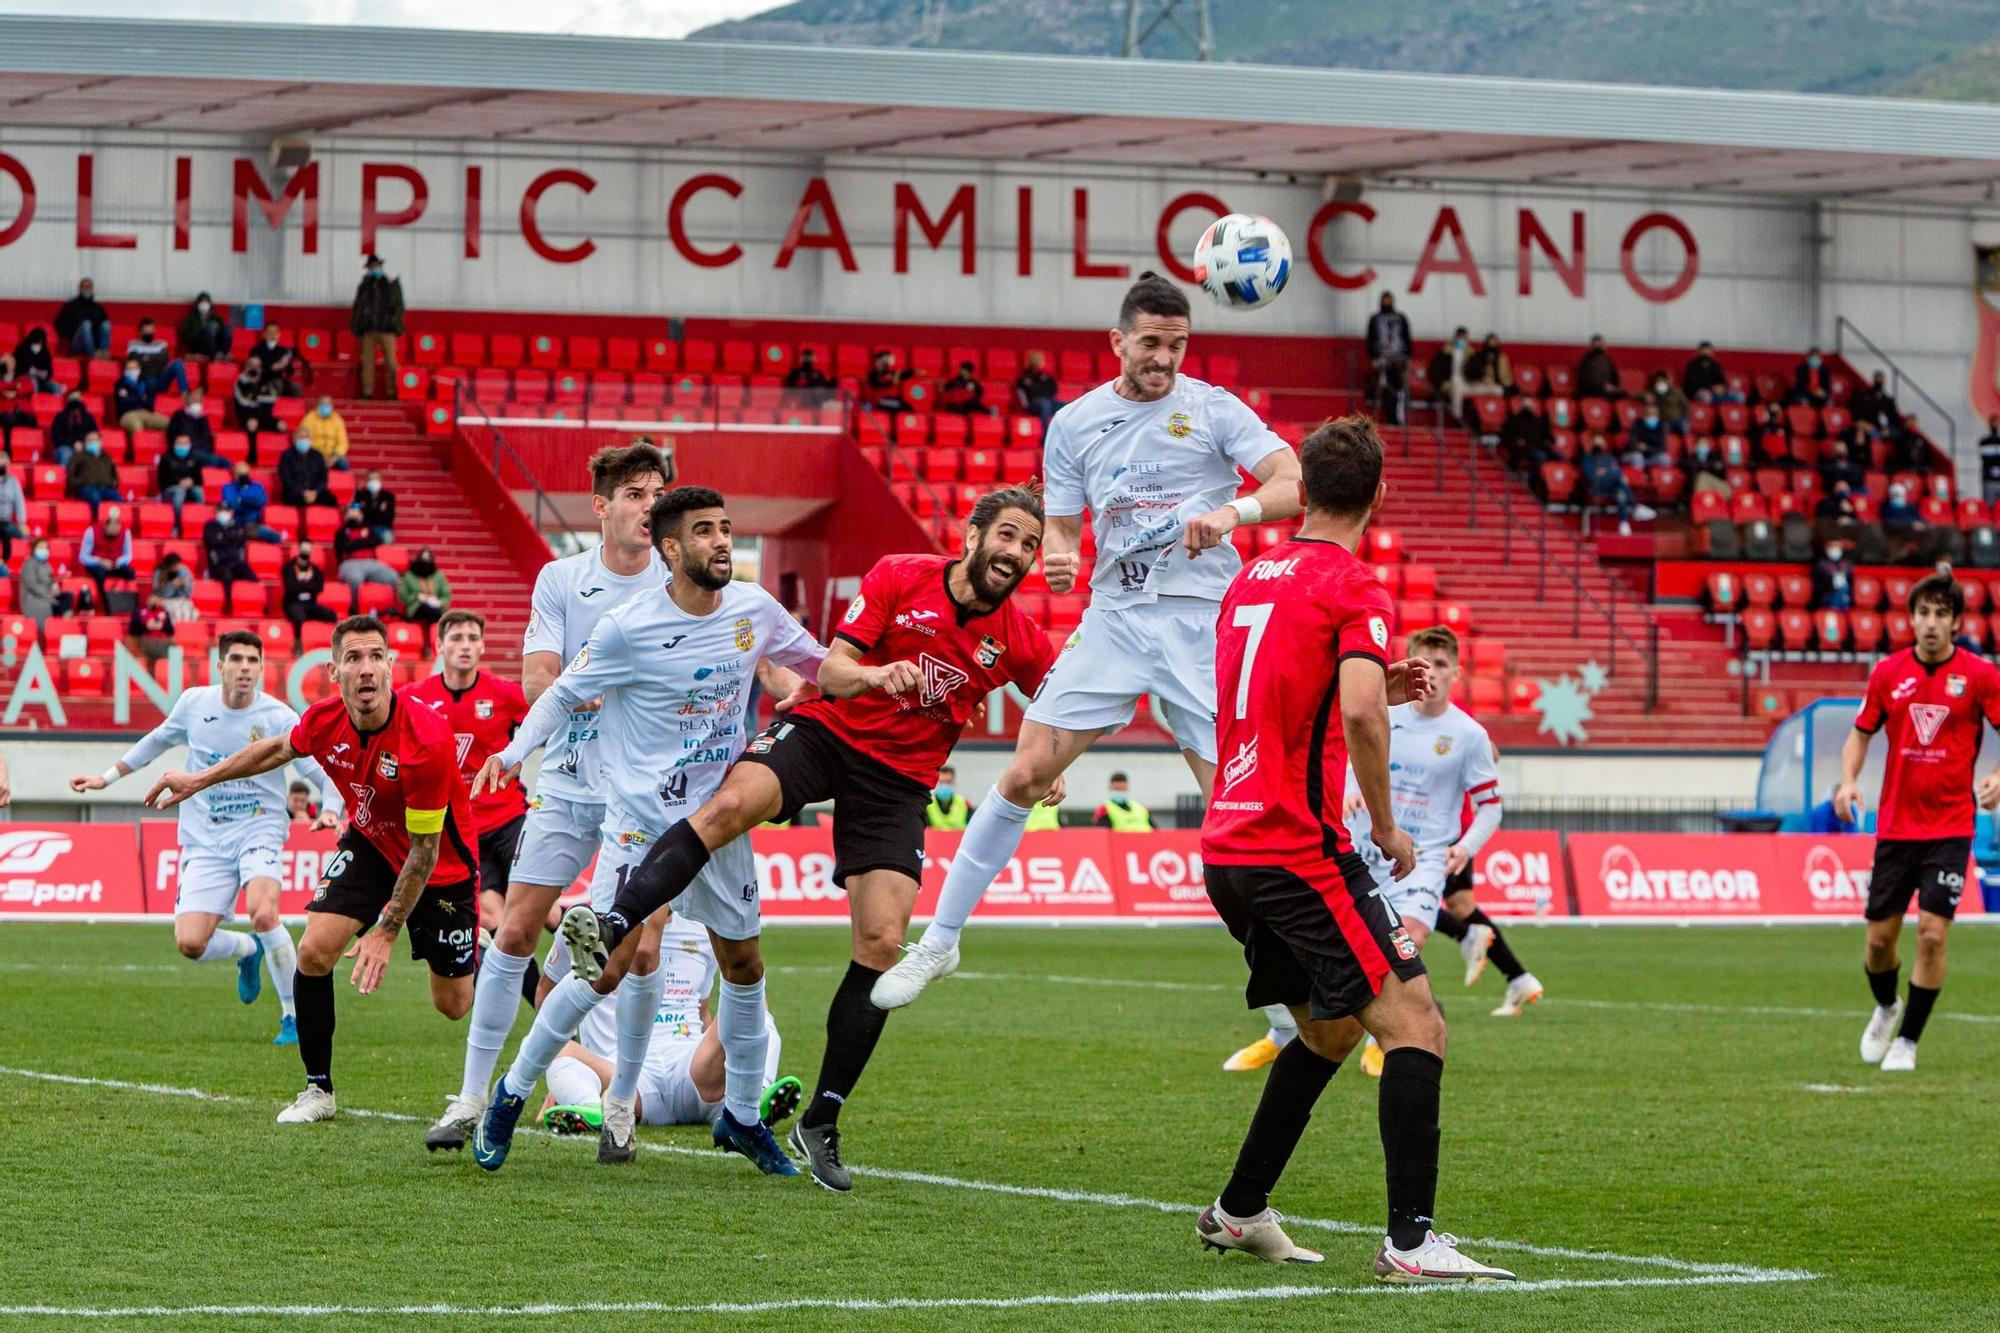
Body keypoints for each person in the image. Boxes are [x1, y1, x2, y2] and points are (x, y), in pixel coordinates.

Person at [548, 487, 1057, 1191]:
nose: (1015, 553)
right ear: (970, 534)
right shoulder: (900, 575)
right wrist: (877, 675)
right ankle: (613, 922)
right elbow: (835, 666)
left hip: (900, 781)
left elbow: (1061, 709)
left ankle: (822, 1117)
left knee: (882, 944)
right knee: (728, 803)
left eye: (1029, 545)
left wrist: (1048, 763)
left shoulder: (1023, 637)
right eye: (1006, 535)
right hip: (829, 730)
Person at [873, 273, 1303, 1016]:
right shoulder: (1074, 423)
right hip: (1118, 615)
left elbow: (1292, 482)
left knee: (1234, 809)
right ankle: (940, 941)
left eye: (1177, 344)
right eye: (1150, 344)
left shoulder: (1212, 408)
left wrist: (1234, 510)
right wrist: (1063, 555)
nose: (1164, 358)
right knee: (1025, 771)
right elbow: (1065, 525)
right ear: (1119, 342)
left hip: (1203, 620)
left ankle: (1285, 986)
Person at [1192, 415, 1509, 1281]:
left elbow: (1285, 691)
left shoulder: (1250, 578)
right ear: (1377, 494)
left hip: (1229, 842)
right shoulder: (1354, 583)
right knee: (1419, 1024)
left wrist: (1357, 682)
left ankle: (1239, 1208)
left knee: (1330, 1032)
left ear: (1301, 494)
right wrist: (1387, 823)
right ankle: (1411, 1242)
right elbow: (1367, 711)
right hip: (1296, 847)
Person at [469, 485, 828, 1175]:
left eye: (726, 528)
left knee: (745, 965)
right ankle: (509, 1096)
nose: (722, 541)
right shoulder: (629, 626)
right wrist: (513, 753)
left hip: (717, 821)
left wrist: (863, 678)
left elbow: (814, 662)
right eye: (704, 531)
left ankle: (744, 1118)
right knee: (605, 970)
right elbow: (566, 694)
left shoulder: (753, 608)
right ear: (671, 548)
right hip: (638, 826)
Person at [423, 443, 672, 1153]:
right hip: (566, 782)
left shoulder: (676, 581)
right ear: (601, 506)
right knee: (514, 932)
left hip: (647, 794)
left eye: (657, 492)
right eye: (633, 494)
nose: (648, 505)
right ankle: (472, 1094)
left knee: (644, 950)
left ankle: (621, 1100)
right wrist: (589, 689)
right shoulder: (562, 580)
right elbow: (539, 679)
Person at [145, 615, 482, 1124]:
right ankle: (317, 1090)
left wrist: (386, 931)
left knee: (453, 1004)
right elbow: (277, 749)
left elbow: (425, 851)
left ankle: (494, 952)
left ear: (390, 667)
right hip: (371, 845)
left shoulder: (425, 739)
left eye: (375, 657)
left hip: (439, 867)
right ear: (334, 671)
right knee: (314, 950)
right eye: (353, 659)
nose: (365, 670)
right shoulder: (325, 720)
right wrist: (200, 779)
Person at [72, 631, 336, 1045]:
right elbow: (157, 740)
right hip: (205, 836)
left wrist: (334, 808)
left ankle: (293, 1017)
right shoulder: (195, 704)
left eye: (253, 660)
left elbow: (318, 769)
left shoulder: (279, 716)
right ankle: (248, 952)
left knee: (265, 913)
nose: (245, 667)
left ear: (262, 667)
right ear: (220, 666)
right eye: (237, 659)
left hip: (259, 826)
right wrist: (105, 778)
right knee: (191, 943)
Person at [1340, 627, 1539, 1076]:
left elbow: (1490, 807)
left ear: (1457, 673)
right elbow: (1349, 756)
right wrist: (1349, 791)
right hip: (1366, 845)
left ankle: (1382, 1036)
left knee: (1407, 938)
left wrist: (1465, 848)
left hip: (1425, 857)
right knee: (1355, 943)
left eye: (1442, 664)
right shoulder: (1384, 715)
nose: (1432, 673)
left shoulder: (1468, 735)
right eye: (1423, 663)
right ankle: (1354, 1022)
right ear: (1408, 667)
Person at [1834, 574, 2000, 1073]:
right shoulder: (1887, 674)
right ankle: (1887, 1007)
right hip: (1896, 828)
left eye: (1940, 614)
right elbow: (1860, 735)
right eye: (1922, 613)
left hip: (1950, 827)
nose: (1930, 623)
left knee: (1931, 934)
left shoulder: (1980, 676)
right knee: (1879, 941)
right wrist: (1847, 781)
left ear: (1955, 622)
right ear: (1911, 619)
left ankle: (1908, 1040)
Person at [538, 912, 799, 1139]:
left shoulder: (700, 927)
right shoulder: (586, 922)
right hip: (623, 1077)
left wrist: (722, 1061)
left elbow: (702, 1012)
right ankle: (589, 1106)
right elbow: (547, 999)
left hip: (691, 1072)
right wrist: (567, 1077)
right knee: (553, 1047)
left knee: (757, 1014)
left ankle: (752, 1100)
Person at [407, 610, 533, 947]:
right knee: (493, 919)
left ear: (482, 647)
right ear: (439, 646)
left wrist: (519, 758)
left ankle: (594, 974)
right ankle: (541, 999)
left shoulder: (505, 694)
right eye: (457, 638)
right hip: (463, 832)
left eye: (473, 638)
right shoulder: (414, 699)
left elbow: (546, 726)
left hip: (509, 820)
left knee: (543, 913)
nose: (465, 646)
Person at [351, 254, 404, 400]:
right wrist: (357, 327)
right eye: (371, 267)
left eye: (375, 266)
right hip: (369, 330)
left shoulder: (391, 284)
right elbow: (358, 306)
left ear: (381, 266)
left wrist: (394, 323)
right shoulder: (365, 285)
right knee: (367, 364)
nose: (374, 269)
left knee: (392, 363)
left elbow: (399, 306)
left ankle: (392, 393)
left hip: (387, 330)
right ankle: (367, 393)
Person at [1579, 435, 1652, 536]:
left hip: (1611, 487)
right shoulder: (1587, 458)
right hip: (1596, 486)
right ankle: (1635, 507)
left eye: (1601, 442)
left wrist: (1604, 473)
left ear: (1604, 445)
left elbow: (1615, 470)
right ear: (1592, 444)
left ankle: (1624, 524)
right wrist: (1608, 474)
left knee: (1621, 493)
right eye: (1596, 442)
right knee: (1619, 478)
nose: (1598, 445)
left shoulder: (1609, 458)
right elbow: (1590, 475)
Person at [335, 504, 397, 610]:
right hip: (350, 562)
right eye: (351, 513)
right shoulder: (342, 532)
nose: (354, 515)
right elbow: (346, 546)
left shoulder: (368, 530)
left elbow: (377, 541)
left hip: (371, 562)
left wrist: (356, 543)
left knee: (392, 577)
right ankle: (355, 609)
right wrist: (364, 542)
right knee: (355, 580)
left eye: (357, 513)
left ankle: (387, 608)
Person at [1365, 292, 1411, 425]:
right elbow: (1370, 339)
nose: (1386, 302)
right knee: (1386, 387)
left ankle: (1400, 419)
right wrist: (1373, 358)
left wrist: (1407, 357)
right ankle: (1391, 418)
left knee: (1400, 389)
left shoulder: (1401, 318)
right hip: (1382, 359)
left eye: (1388, 299)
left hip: (1399, 359)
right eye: (1384, 300)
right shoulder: (1375, 318)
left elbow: (1407, 338)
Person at [203, 505, 257, 612]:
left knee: (252, 576)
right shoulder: (210, 526)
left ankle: (251, 605)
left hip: (235, 561)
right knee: (227, 576)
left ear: (231, 512)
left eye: (226, 510)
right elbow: (214, 541)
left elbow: (241, 538)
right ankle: (228, 604)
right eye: (221, 510)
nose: (223, 513)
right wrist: (231, 537)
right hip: (219, 563)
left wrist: (223, 536)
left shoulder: (237, 525)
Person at [281, 542, 339, 641]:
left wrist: (301, 583)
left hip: (310, 604)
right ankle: (298, 642)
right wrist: (308, 584)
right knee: (299, 617)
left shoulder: (315, 570)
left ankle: (332, 642)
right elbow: (291, 588)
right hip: (293, 603)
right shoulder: (289, 567)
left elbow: (319, 588)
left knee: (331, 616)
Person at [79, 506, 135, 608]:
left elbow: (128, 555)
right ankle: (106, 603)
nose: (115, 529)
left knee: (129, 572)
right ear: (105, 525)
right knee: (100, 573)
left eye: (117, 526)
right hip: (97, 564)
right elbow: (83, 557)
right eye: (112, 527)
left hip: (115, 564)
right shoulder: (92, 532)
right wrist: (100, 561)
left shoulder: (125, 533)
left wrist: (118, 562)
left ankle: (125, 603)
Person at [125, 317, 191, 397]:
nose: (149, 332)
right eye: (146, 330)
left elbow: (164, 359)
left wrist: (146, 358)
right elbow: (134, 361)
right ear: (141, 331)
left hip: (161, 379)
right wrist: (155, 358)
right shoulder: (133, 344)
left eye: (151, 329)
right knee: (148, 379)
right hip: (144, 379)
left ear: (154, 330)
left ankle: (185, 394)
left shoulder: (161, 343)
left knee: (178, 364)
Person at [157, 435, 206, 532]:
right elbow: (162, 480)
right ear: (174, 444)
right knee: (180, 492)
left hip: (190, 488)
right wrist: (178, 482)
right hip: (170, 490)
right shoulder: (166, 458)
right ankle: (177, 525)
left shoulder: (195, 459)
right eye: (179, 443)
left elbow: (200, 480)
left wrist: (192, 481)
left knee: (198, 491)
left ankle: (200, 522)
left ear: (189, 445)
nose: (182, 446)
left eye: (185, 443)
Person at [165, 388, 223, 468]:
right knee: (215, 461)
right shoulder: (179, 415)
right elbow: (172, 435)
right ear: (188, 399)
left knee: (225, 462)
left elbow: (207, 438)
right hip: (187, 451)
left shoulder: (203, 418)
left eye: (199, 398)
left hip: (203, 452)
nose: (196, 400)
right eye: (194, 397)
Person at [66, 431, 121, 516]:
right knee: (95, 498)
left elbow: (114, 473)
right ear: (85, 443)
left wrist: (113, 483)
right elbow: (70, 472)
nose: (92, 442)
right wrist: (80, 483)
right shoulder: (79, 456)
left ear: (100, 441)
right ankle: (99, 521)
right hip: (87, 487)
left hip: (106, 487)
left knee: (119, 501)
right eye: (90, 440)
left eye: (95, 440)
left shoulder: (107, 457)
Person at [113, 356, 171, 436]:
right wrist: (140, 398)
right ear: (125, 370)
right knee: (137, 426)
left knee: (170, 423)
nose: (132, 371)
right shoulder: (120, 384)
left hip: (146, 413)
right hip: (127, 414)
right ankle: (138, 448)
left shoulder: (145, 383)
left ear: (139, 369)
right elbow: (123, 402)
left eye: (134, 368)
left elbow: (150, 402)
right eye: (129, 369)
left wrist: (132, 398)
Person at [398, 548, 450, 636]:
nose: (425, 562)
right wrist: (417, 596)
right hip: (415, 607)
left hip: (436, 606)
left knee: (438, 613)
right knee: (430, 611)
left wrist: (439, 602)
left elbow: (446, 595)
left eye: (428, 560)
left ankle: (434, 640)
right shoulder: (409, 575)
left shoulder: (438, 576)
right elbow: (403, 596)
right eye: (423, 559)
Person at [55, 278, 111, 358]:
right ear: (80, 289)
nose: (87, 289)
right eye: (85, 287)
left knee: (106, 324)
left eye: (89, 287)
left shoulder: (98, 307)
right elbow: (59, 324)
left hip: (95, 342)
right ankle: (93, 355)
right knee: (86, 324)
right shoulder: (70, 306)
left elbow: (103, 327)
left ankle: (104, 354)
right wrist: (72, 333)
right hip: (77, 343)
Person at [278, 431, 332, 509]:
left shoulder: (317, 455)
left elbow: (324, 478)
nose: (303, 440)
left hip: (315, 492)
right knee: (298, 500)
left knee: (331, 500)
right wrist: (303, 492)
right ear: (294, 439)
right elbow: (286, 479)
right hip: (295, 492)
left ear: (310, 440)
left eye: (305, 437)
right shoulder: (286, 456)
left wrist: (315, 492)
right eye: (300, 437)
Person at [1426, 328, 1470, 421]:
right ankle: (1457, 419)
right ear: (1454, 338)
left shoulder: (1472, 354)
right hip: (1449, 383)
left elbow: (1476, 373)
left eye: (1463, 338)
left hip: (1468, 384)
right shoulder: (1444, 353)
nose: (1461, 340)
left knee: (1495, 389)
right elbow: (1435, 371)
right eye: (1459, 337)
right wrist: (1441, 383)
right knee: (1458, 390)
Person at [19, 540, 67, 626]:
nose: (44, 550)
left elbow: (50, 581)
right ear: (34, 549)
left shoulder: (47, 565)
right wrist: (49, 595)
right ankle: (55, 627)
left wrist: (54, 586)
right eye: (41, 547)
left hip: (48, 596)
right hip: (34, 598)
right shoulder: (29, 564)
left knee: (67, 596)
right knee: (53, 605)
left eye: (46, 548)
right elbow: (32, 585)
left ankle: (61, 626)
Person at [1012, 352, 1060, 433]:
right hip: (1032, 404)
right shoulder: (1024, 377)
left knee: (1069, 406)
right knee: (1045, 405)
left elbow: (1053, 389)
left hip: (1048, 400)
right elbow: (1033, 392)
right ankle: (1045, 436)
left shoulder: (1045, 376)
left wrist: (1040, 389)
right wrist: (1043, 389)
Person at [177, 292, 231, 362]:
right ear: (197, 304)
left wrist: (216, 329)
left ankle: (222, 354)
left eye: (206, 303)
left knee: (227, 329)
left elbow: (223, 334)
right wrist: (201, 331)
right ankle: (214, 356)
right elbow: (184, 337)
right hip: (199, 345)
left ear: (209, 304)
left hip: (216, 345)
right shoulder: (190, 319)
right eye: (202, 303)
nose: (204, 305)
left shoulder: (216, 318)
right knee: (209, 329)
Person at [248, 325, 299, 397]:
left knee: (296, 388)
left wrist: (285, 365)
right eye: (270, 333)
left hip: (278, 380)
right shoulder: (256, 350)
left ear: (279, 335)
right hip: (261, 381)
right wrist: (272, 367)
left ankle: (290, 407)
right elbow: (253, 372)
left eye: (275, 333)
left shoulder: (283, 351)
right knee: (278, 384)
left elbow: (290, 372)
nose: (272, 335)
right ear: (264, 334)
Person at [49, 390, 97, 465]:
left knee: (94, 451)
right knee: (65, 453)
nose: (76, 401)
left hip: (84, 446)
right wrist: (73, 444)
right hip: (65, 447)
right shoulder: (60, 416)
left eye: (78, 398)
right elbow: (56, 437)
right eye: (73, 398)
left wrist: (83, 445)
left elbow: (94, 434)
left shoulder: (88, 417)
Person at [304, 395, 350, 470]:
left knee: (344, 466)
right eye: (322, 404)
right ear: (317, 405)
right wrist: (316, 455)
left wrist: (334, 458)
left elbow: (343, 443)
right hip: (314, 454)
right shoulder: (309, 418)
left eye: (327, 404)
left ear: (331, 406)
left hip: (332, 456)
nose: (325, 406)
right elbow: (303, 437)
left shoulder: (337, 420)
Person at [860, 349, 913, 414]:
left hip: (890, 399)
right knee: (902, 406)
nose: (886, 363)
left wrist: (913, 372)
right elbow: (876, 385)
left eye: (888, 360)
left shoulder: (890, 373)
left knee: (907, 407)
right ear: (877, 361)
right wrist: (891, 382)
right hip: (878, 401)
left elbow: (903, 375)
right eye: (883, 360)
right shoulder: (873, 374)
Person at [1461, 333, 1512, 399]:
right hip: (1477, 384)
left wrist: (1493, 381)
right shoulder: (1477, 356)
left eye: (1494, 346)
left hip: (1495, 386)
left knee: (1498, 390)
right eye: (1489, 346)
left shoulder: (1502, 359)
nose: (1491, 354)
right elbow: (1468, 372)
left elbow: (1507, 381)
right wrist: (1482, 378)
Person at [1622, 400, 1671, 469]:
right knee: (1638, 457)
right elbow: (1632, 444)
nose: (1651, 416)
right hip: (1632, 454)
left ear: (1658, 416)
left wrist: (1647, 448)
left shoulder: (1661, 426)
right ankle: (1639, 478)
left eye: (1653, 414)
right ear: (1644, 415)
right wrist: (1639, 447)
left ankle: (1658, 478)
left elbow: (1663, 448)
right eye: (1648, 414)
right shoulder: (1637, 424)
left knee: (1665, 458)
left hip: (1650, 457)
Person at [12, 327, 60, 397]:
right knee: (33, 383)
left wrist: (45, 374)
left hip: (41, 380)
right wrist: (29, 370)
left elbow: (49, 371)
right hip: (25, 379)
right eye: (36, 342)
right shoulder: (21, 348)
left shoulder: (45, 352)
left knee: (55, 388)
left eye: (40, 343)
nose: (38, 345)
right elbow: (16, 367)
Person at [151, 550, 197, 623]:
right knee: (175, 611)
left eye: (179, 565)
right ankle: (176, 629)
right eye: (175, 566)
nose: (178, 567)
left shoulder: (184, 571)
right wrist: (172, 586)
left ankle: (184, 629)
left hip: (180, 600)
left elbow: (188, 594)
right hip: (163, 599)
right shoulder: (159, 572)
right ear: (170, 566)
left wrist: (184, 585)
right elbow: (158, 592)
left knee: (191, 610)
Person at [130, 594, 176, 663]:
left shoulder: (164, 613)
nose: (153, 602)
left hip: (161, 643)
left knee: (172, 649)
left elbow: (170, 631)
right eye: (151, 600)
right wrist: (146, 626)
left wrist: (162, 627)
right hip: (145, 643)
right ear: (147, 601)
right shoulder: (139, 612)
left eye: (155, 600)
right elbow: (132, 630)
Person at [1575, 334, 1621, 400]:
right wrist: (1603, 386)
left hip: (1606, 389)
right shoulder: (1586, 361)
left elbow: (1615, 377)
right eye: (1598, 346)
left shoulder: (1608, 360)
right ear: (1592, 347)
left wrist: (1613, 386)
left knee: (1622, 394)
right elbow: (1585, 380)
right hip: (1591, 390)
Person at [925, 766, 970, 830]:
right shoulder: (927, 805)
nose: (945, 785)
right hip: (936, 839)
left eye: (948, 782)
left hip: (959, 839)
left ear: (954, 783)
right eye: (942, 782)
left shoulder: (965, 804)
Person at [0, 454, 26, 563]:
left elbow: (19, 502)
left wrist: (22, 522)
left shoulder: (13, 481)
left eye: (3, 462)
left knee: (23, 535)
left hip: (6, 523)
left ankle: (8, 563)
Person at [1813, 543, 1855, 611]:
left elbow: (1851, 581)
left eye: (1837, 547)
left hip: (1845, 597)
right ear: (1827, 550)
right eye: (1832, 547)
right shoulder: (1821, 565)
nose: (1835, 549)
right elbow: (1817, 584)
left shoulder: (1847, 564)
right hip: (1828, 595)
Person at [359, 470, 396, 543]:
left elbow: (390, 517)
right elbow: (359, 515)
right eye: (371, 479)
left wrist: (368, 508)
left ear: (381, 480)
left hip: (383, 527)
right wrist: (380, 509)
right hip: (365, 526)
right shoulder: (360, 495)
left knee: (387, 537)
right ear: (366, 481)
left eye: (376, 479)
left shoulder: (388, 496)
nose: (373, 481)